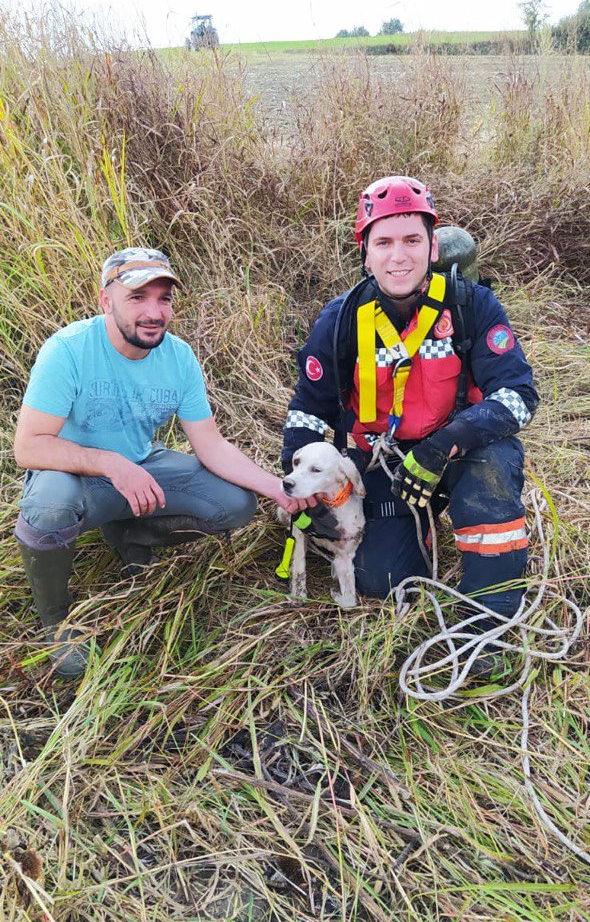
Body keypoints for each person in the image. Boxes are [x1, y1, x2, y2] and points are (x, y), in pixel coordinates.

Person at [14, 247, 301, 679]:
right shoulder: (69, 351)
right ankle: (56, 622)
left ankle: (130, 536)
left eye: (164, 298)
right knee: (50, 508)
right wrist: (111, 463)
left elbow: (211, 445)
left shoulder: (178, 357)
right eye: (137, 298)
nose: (154, 312)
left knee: (235, 503)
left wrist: (276, 488)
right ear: (105, 301)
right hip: (69, 476)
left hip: (140, 465)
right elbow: (30, 447)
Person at [282, 176, 539, 654]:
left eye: (411, 240)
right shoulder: (339, 320)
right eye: (383, 242)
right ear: (365, 251)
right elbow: (309, 412)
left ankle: (489, 625)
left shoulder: (471, 306)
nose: (398, 256)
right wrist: (299, 477)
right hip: (383, 464)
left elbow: (518, 394)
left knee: (492, 472)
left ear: (433, 245)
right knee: (384, 579)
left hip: (457, 453)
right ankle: (412, 533)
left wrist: (445, 445)